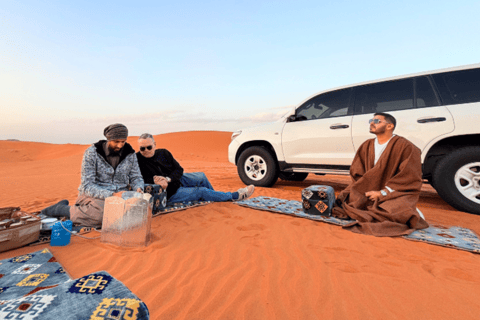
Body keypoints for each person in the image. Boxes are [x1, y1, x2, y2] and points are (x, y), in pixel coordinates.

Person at [332, 112, 429, 236]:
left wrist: (382, 193)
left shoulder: (406, 147)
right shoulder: (366, 145)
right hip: (367, 190)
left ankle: (408, 211)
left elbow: (409, 178)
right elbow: (357, 173)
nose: (372, 123)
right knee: (346, 201)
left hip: (394, 192)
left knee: (397, 211)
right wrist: (365, 188)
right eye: (371, 121)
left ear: (390, 126)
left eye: (377, 121)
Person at [41, 124, 144, 228]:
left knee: (140, 210)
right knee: (104, 214)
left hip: (122, 196)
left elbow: (136, 177)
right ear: (108, 139)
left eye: (123, 142)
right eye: (116, 142)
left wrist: (139, 188)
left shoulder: (130, 154)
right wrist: (112, 195)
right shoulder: (92, 153)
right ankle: (61, 210)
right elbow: (87, 186)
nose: (120, 145)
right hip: (94, 196)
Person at [136, 133, 254, 203]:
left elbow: (179, 170)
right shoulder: (136, 160)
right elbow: (138, 180)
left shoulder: (164, 153)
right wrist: (158, 184)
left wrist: (168, 179)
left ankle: (215, 198)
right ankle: (234, 196)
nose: (146, 151)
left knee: (201, 176)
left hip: (175, 180)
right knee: (201, 191)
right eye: (142, 148)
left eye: (149, 147)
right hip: (169, 193)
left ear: (155, 145)